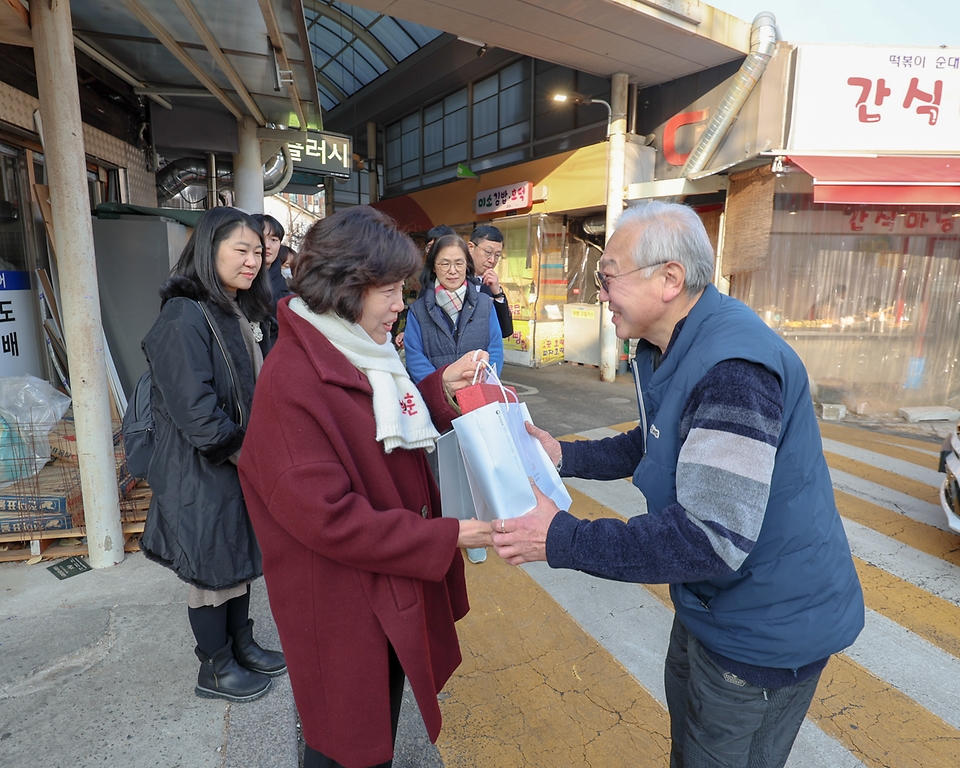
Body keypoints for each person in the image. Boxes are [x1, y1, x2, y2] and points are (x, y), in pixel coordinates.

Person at [493, 201, 865, 768]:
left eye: (607, 275)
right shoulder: (670, 345)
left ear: (669, 279)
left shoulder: (733, 368)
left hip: (763, 630)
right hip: (712, 608)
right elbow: (656, 441)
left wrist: (561, 538)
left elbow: (707, 539)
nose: (600, 292)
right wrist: (562, 453)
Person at [237, 206, 493, 768]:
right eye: (392, 291)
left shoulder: (352, 348)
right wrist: (445, 535)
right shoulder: (293, 379)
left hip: (379, 589)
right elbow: (328, 517)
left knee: (375, 718)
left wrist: (435, 390)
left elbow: (377, 426)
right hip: (340, 604)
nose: (401, 306)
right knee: (345, 743)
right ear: (349, 287)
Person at [140, 206, 286, 703]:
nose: (253, 261)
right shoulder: (185, 315)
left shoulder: (231, 307)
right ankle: (216, 668)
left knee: (237, 560)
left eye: (257, 252)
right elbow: (196, 411)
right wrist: (248, 455)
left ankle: (241, 645)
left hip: (232, 463)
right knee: (210, 574)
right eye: (240, 250)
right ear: (209, 250)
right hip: (203, 469)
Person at [404, 233, 504, 385]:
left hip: (477, 397)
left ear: (467, 266)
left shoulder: (486, 305)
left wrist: (480, 379)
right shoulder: (418, 311)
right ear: (433, 268)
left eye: (459, 263)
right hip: (435, 401)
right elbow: (415, 358)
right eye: (445, 264)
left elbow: (495, 350)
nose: (452, 271)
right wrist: (444, 388)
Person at [251, 213, 293, 342]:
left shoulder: (289, 294)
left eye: (274, 240)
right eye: (261, 238)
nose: (267, 245)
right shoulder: (235, 286)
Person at [468, 224, 513, 338]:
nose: (492, 260)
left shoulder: (491, 286)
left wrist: (497, 294)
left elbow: (505, 331)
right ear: (471, 248)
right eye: (488, 252)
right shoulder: (453, 279)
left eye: (497, 255)